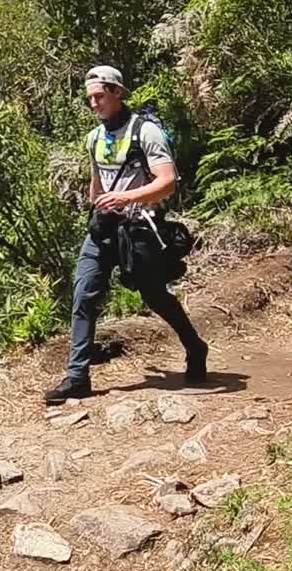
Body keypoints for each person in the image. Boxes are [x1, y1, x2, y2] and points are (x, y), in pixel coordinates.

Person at [44, 65, 208, 404]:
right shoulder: (94, 139)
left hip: (138, 229)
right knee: (84, 295)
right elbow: (97, 181)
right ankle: (77, 377)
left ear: (118, 93)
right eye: (90, 98)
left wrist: (127, 198)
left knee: (154, 296)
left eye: (99, 96)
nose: (94, 104)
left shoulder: (146, 133)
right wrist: (98, 205)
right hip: (103, 228)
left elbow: (167, 182)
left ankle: (195, 347)